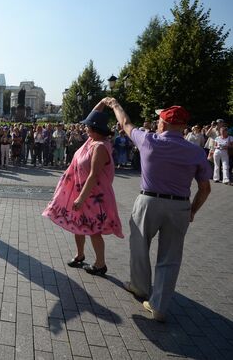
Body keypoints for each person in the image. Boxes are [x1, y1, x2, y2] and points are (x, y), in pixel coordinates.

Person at [108, 99, 212, 322]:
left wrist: (114, 104)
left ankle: (139, 286)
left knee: (139, 245)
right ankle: (159, 306)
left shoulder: (148, 140)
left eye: (158, 120)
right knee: (171, 257)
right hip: (180, 205)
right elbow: (205, 188)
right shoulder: (196, 152)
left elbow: (125, 123)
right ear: (183, 127)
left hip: (149, 201)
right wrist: (192, 210)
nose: (156, 123)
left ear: (163, 124)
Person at [42, 101, 124, 276]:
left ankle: (100, 264)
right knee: (78, 225)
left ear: (95, 129)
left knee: (94, 230)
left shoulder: (100, 146)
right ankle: (80, 255)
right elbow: (93, 115)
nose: (85, 128)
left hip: (93, 195)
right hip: (82, 191)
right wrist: (102, 103)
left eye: (88, 126)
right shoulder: (92, 141)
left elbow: (94, 175)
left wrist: (81, 198)